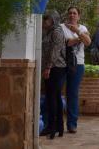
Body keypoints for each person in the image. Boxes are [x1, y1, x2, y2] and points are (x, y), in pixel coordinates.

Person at [61, 6, 91, 134]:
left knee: (72, 94)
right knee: (57, 92)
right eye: (70, 13)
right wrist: (80, 38)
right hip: (62, 64)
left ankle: (72, 124)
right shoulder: (62, 27)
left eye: (74, 13)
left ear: (78, 16)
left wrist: (77, 32)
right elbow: (66, 43)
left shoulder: (82, 28)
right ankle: (56, 123)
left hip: (77, 64)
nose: (72, 15)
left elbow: (88, 42)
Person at [41, 10, 67, 139]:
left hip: (56, 68)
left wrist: (48, 67)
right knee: (54, 97)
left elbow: (55, 51)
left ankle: (53, 127)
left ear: (54, 20)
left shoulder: (56, 32)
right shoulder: (49, 31)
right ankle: (58, 127)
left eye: (47, 19)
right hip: (52, 68)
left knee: (52, 97)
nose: (45, 21)